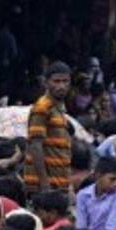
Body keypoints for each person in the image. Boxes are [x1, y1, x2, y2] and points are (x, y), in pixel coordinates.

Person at [26, 61, 73, 193]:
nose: (61, 86)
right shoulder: (42, 107)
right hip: (45, 188)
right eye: (56, 81)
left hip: (59, 184)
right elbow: (35, 145)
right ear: (46, 83)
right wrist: (44, 184)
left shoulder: (59, 109)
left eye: (65, 81)